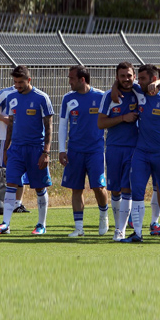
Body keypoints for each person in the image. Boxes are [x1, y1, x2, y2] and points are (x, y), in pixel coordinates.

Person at [122, 64, 160, 243]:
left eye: (143, 79)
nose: (139, 82)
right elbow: (121, 82)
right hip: (141, 153)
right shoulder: (139, 93)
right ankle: (137, 233)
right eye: (139, 79)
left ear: (153, 80)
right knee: (137, 192)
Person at [0, 65, 53, 235]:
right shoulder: (12, 97)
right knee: (11, 184)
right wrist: (6, 148)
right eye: (15, 82)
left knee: (40, 187)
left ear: (29, 80)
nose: (17, 86)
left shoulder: (42, 98)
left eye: (20, 82)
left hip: (36, 149)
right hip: (16, 150)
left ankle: (41, 224)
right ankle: (5, 223)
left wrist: (46, 152)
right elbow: (11, 123)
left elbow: (49, 127)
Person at [58, 65, 109, 237]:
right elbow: (63, 124)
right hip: (75, 151)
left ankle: (104, 216)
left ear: (82, 79)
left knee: (99, 187)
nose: (69, 81)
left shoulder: (101, 96)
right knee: (76, 189)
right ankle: (79, 228)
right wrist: (61, 149)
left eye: (72, 78)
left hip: (95, 150)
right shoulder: (68, 98)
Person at [97, 62, 139, 241]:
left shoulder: (140, 92)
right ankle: (117, 225)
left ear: (134, 76)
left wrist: (156, 82)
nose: (126, 79)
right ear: (117, 77)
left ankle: (120, 229)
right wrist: (123, 118)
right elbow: (101, 123)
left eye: (129, 75)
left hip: (135, 148)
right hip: (113, 148)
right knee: (115, 191)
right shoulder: (109, 96)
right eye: (122, 76)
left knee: (126, 187)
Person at [0, 84, 29, 213]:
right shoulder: (4, 93)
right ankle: (3, 202)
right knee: (5, 171)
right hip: (7, 139)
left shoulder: (32, 95)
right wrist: (4, 118)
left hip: (25, 139)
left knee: (22, 173)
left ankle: (18, 204)